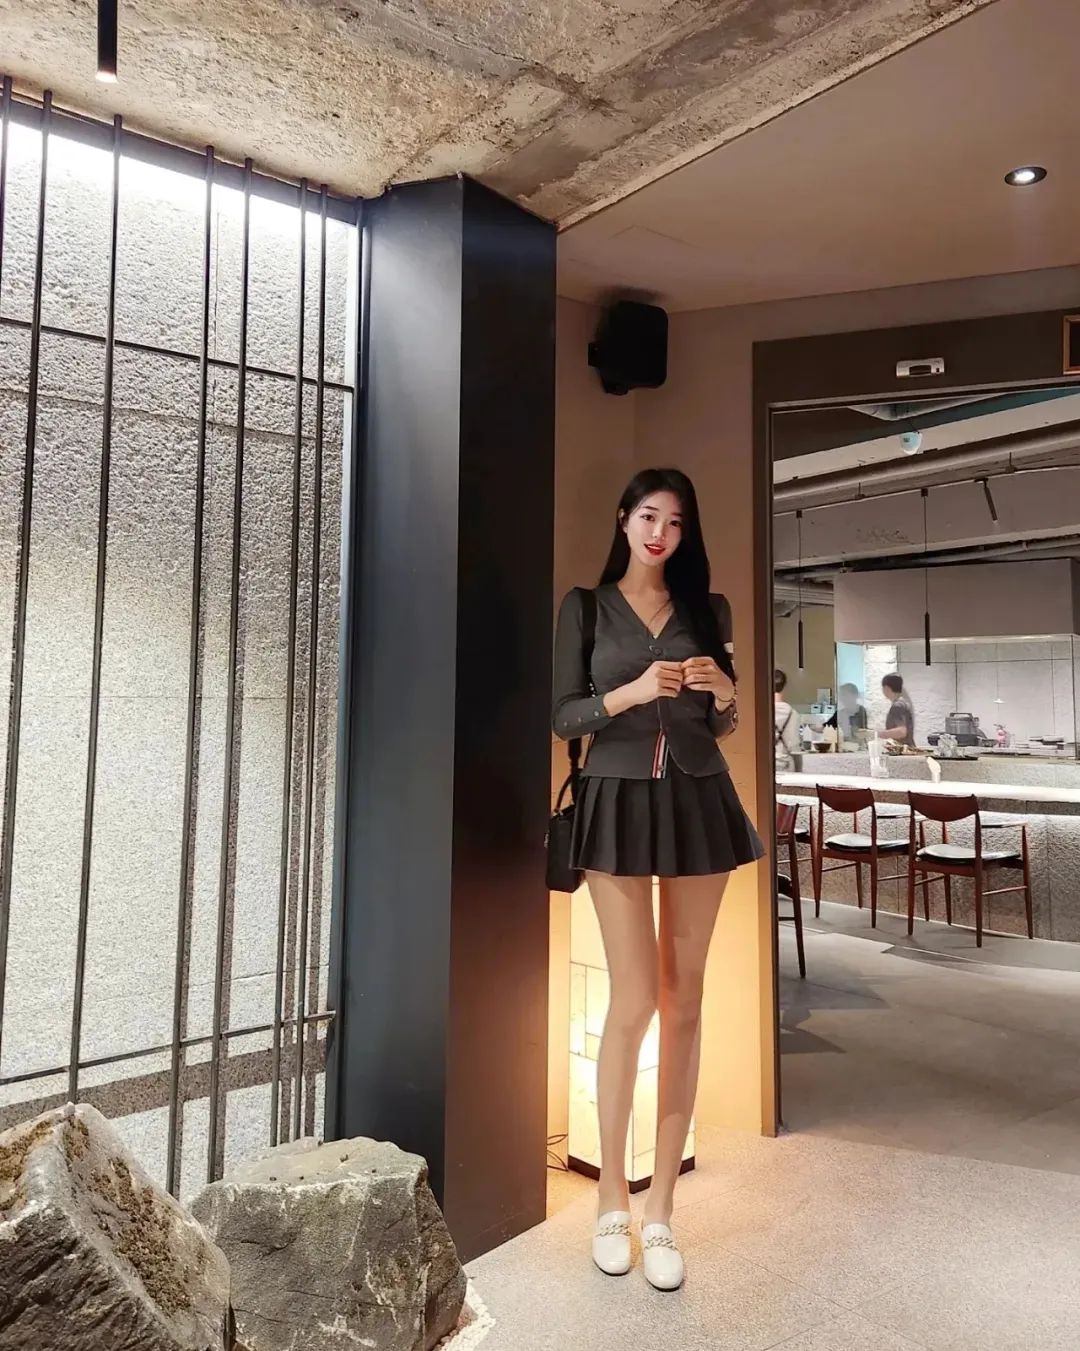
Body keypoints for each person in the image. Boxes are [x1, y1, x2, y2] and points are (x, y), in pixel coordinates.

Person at [552, 467, 764, 1292]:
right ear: (624, 519)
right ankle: (612, 1196)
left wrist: (726, 691)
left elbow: (724, 722)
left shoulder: (711, 612)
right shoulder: (585, 606)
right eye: (648, 516)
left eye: (675, 522)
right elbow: (564, 714)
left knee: (685, 1000)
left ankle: (664, 1209)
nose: (659, 533)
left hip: (698, 798)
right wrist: (631, 691)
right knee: (633, 998)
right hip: (614, 799)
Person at [774, 669, 800, 772]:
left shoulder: (759, 713)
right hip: (786, 765)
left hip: (764, 766)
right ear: (784, 686)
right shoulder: (792, 713)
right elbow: (794, 746)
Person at [880, 672, 916, 745]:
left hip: (903, 749)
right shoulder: (903, 703)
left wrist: (879, 734)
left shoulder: (897, 706)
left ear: (886, 688)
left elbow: (901, 732)